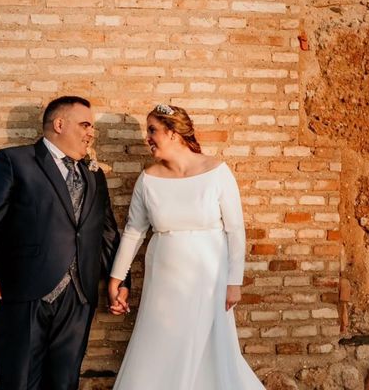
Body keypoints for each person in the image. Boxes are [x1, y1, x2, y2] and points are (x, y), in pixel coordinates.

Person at [0, 96, 129, 390]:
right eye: (85, 125)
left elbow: (107, 231)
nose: (90, 132)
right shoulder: (13, 161)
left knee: (65, 380)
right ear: (59, 124)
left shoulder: (94, 175)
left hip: (79, 294)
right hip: (25, 291)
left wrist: (120, 281)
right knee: (19, 380)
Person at [107, 103, 266, 390]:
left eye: (153, 130)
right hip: (164, 278)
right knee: (161, 342)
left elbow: (235, 230)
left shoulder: (216, 172)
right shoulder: (148, 179)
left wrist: (234, 281)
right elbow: (134, 232)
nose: (148, 138)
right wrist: (116, 278)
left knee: (207, 346)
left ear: (173, 133)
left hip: (209, 277)